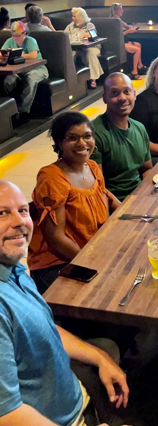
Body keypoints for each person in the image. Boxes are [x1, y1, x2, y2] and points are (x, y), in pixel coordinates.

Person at [0, 179, 158, 426]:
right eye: (2, 213)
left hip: (76, 402)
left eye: (22, 210)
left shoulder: (14, 269)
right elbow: (6, 421)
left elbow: (40, 328)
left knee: (108, 348)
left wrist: (100, 357)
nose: (20, 221)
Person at [28, 112, 120, 294]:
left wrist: (137, 216)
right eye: (72, 138)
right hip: (59, 262)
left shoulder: (92, 167)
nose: (82, 144)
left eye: (87, 136)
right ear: (60, 143)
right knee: (102, 298)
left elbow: (107, 198)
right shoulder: (52, 178)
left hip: (91, 250)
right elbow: (56, 239)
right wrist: (90, 262)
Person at [91, 73, 152, 201]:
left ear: (134, 95)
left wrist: (150, 195)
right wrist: (125, 209)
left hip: (139, 197)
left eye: (126, 91)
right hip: (114, 205)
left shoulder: (139, 128)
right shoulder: (94, 134)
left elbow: (146, 169)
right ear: (104, 98)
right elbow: (97, 188)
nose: (122, 98)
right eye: (114, 93)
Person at [0, 21, 49, 124]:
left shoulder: (30, 41)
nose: (15, 38)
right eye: (13, 35)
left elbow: (33, 56)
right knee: (8, 81)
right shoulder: (9, 41)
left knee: (29, 79)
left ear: (24, 33)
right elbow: (1, 53)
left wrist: (18, 55)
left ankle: (22, 113)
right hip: (18, 71)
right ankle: (11, 110)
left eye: (18, 35)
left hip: (37, 69)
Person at [65, 7, 103, 88]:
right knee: (70, 55)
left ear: (80, 17)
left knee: (89, 53)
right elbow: (64, 35)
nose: (72, 18)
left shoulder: (89, 25)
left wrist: (87, 36)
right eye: (72, 16)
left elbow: (93, 36)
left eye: (74, 16)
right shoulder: (70, 26)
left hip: (92, 47)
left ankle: (93, 79)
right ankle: (72, 80)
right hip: (76, 48)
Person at [109, 3, 146, 80]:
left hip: (123, 41)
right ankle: (134, 72)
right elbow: (116, 36)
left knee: (138, 44)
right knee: (137, 50)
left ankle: (140, 66)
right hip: (117, 43)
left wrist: (133, 28)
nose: (122, 11)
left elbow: (127, 26)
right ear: (115, 11)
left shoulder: (119, 20)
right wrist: (128, 31)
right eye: (120, 9)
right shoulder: (113, 21)